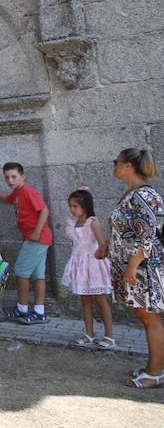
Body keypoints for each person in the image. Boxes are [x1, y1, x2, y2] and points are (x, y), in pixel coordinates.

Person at [107, 148, 164, 389]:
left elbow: (149, 234)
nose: (114, 166)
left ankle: (154, 373)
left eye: (116, 162)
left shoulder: (145, 195)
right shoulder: (132, 194)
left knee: (151, 319)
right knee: (147, 318)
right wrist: (105, 246)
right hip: (136, 268)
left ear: (129, 165)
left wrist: (132, 266)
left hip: (144, 269)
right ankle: (155, 366)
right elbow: (126, 231)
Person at [0, 162, 53, 324]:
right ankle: (39, 312)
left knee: (21, 272)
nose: (10, 180)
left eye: (14, 177)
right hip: (39, 238)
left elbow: (44, 210)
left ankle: (22, 308)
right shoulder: (18, 192)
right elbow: (7, 199)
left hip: (36, 238)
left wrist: (36, 231)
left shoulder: (26, 190)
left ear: (22, 176)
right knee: (38, 276)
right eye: (7, 178)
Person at [61, 188, 114, 349]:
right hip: (80, 264)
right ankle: (89, 334)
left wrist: (105, 251)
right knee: (85, 300)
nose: (71, 209)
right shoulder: (72, 223)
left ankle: (109, 336)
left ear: (85, 206)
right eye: (70, 206)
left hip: (93, 264)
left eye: (75, 206)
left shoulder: (92, 222)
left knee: (100, 300)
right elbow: (75, 244)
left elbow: (102, 245)